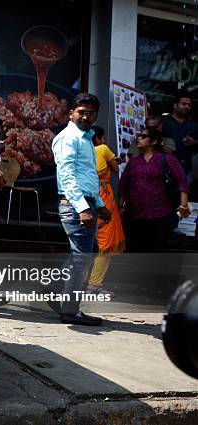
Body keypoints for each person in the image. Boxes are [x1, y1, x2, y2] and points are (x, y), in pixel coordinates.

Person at [51, 93, 111, 326]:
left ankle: (53, 286)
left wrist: (99, 205)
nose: (86, 116)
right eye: (81, 112)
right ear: (71, 113)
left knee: (88, 253)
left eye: (91, 113)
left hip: (85, 202)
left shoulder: (86, 138)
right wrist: (83, 208)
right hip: (74, 203)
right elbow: (67, 176)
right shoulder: (69, 138)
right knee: (82, 258)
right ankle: (69, 310)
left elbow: (87, 175)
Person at [119, 127, 190, 252]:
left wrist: (184, 204)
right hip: (134, 214)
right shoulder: (133, 162)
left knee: (155, 249)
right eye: (139, 136)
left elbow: (182, 180)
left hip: (160, 214)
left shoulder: (166, 158)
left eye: (143, 136)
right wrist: (119, 207)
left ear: (153, 141)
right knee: (134, 250)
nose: (139, 138)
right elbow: (123, 185)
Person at [86, 126, 125, 295]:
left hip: (87, 196)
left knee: (87, 241)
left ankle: (81, 281)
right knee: (105, 243)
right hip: (104, 198)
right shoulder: (102, 148)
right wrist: (115, 161)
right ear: (99, 138)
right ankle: (94, 284)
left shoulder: (83, 150)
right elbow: (115, 169)